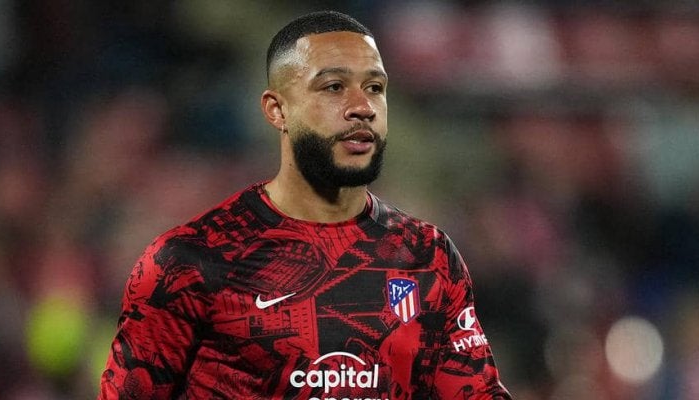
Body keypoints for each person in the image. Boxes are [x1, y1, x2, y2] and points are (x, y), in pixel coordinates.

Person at [98, 10, 512, 400]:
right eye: (333, 87)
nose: (362, 108)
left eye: (374, 88)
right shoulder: (188, 261)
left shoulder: (427, 255)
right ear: (277, 110)